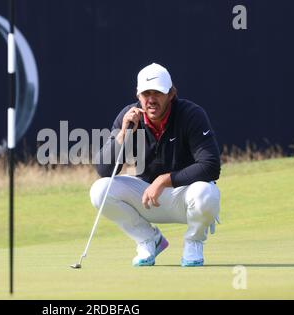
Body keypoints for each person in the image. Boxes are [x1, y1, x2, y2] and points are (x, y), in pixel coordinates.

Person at [90, 63, 221, 267]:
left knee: (207, 192)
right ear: (138, 94)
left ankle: (193, 242)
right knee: (100, 190)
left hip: (184, 197)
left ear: (171, 93)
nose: (151, 99)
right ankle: (149, 240)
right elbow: (104, 171)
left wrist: (164, 180)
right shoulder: (129, 117)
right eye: (146, 93)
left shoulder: (191, 114)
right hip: (146, 199)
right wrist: (123, 135)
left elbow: (211, 166)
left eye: (157, 93)